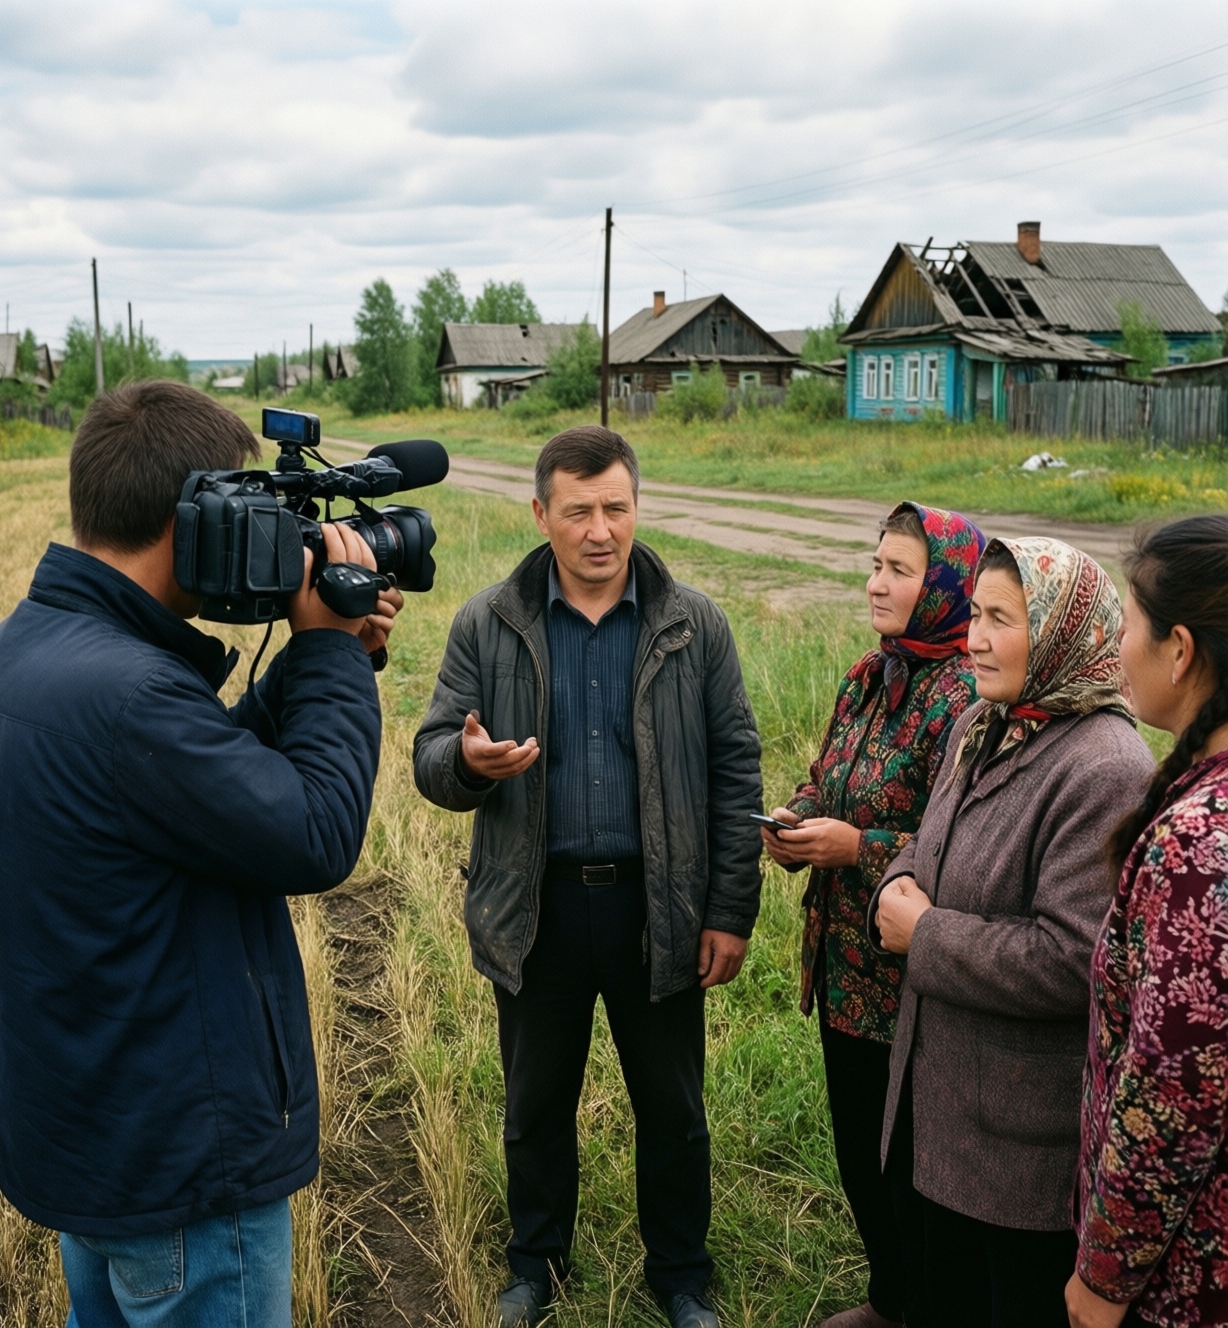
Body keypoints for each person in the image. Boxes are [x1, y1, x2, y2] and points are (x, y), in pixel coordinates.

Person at [0, 381, 402, 1327]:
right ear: (197, 517)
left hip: (98, 1147)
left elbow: (197, 792)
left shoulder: (19, 656)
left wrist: (317, 659)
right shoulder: (129, 695)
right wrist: (325, 654)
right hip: (186, 1174)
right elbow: (315, 833)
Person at [412, 425, 762, 1328]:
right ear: (541, 514)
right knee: (534, 1106)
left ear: (637, 506)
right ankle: (535, 1265)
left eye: (616, 507)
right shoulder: (488, 623)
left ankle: (682, 1275)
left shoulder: (695, 625)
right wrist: (467, 760)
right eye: (578, 511)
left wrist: (729, 909)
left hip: (661, 908)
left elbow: (736, 769)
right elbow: (429, 755)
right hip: (537, 909)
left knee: (675, 1110)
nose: (600, 529)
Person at [871, 537, 1154, 1328]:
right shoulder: (982, 720)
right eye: (977, 615)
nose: (977, 639)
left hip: (1017, 1155)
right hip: (937, 1108)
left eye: (1004, 619)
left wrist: (923, 935)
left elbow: (1073, 961)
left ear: (1063, 631)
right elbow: (933, 840)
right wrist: (896, 876)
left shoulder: (1104, 766)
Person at [761, 501, 985, 1328]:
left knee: (912, 1166)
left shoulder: (962, 693)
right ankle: (891, 1300)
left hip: (912, 978)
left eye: (900, 570)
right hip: (845, 967)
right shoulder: (870, 672)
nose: (876, 583)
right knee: (860, 1149)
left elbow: (958, 842)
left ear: (946, 586)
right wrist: (796, 817)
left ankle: (924, 1306)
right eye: (876, 563)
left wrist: (853, 846)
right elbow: (827, 773)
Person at [1067, 516, 1228, 1328]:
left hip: (1188, 1279)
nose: (1116, 645)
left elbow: (1175, 1096)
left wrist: (1103, 1278)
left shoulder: (1201, 845)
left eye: (1128, 625)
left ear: (1180, 649)